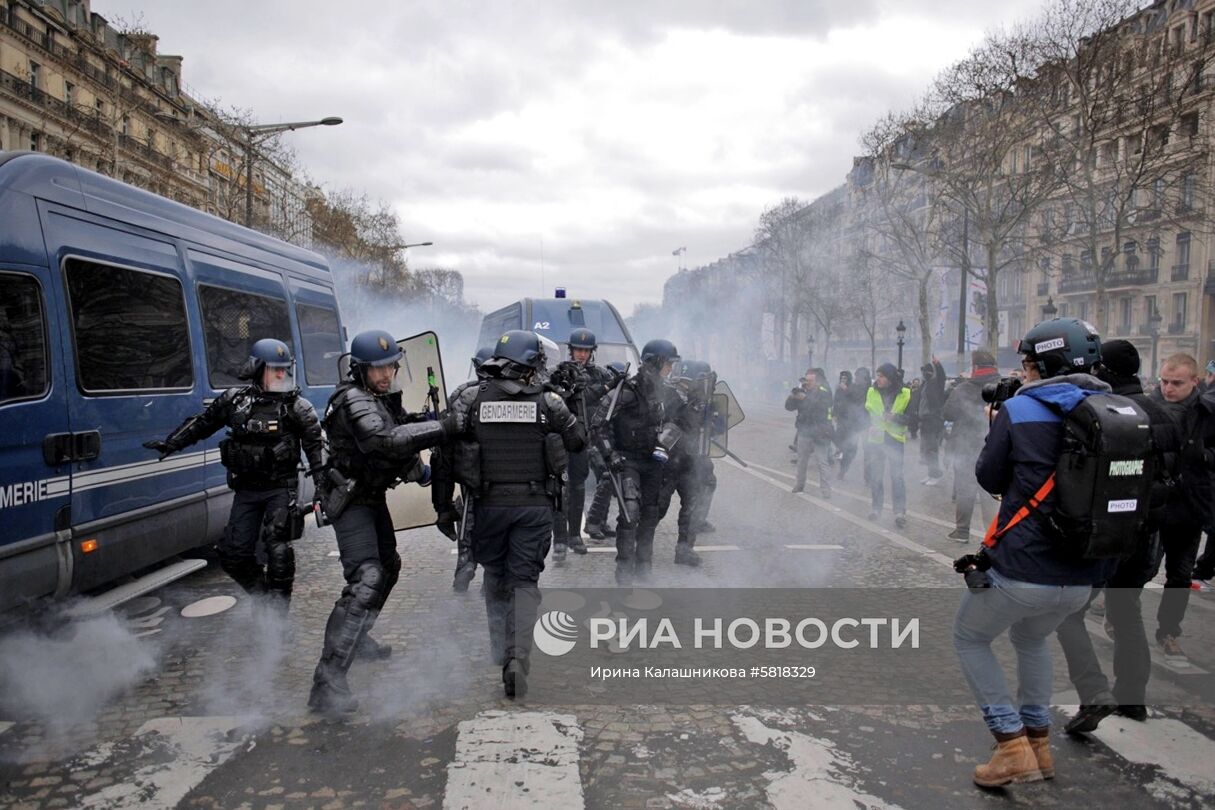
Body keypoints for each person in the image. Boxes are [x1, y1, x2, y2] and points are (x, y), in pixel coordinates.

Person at [952, 318, 1109, 787]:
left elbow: (990, 478)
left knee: (970, 638)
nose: (1023, 374)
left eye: (1027, 364)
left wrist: (995, 428)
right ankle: (1039, 746)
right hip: (1084, 574)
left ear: (1047, 364)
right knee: (1032, 639)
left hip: (1025, 568)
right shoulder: (1112, 407)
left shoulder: (1021, 411)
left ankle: (1010, 743)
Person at [308, 330, 458, 715]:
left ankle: (358, 635)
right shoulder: (351, 399)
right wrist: (445, 428)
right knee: (367, 577)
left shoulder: (376, 397)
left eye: (391, 365)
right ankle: (327, 682)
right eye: (378, 368)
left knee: (389, 566)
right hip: (350, 501)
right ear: (361, 369)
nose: (386, 373)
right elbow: (385, 440)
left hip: (370, 495)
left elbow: (400, 425)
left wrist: (429, 420)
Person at [443, 330, 585, 698]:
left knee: (495, 573)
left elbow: (445, 451)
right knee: (524, 583)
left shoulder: (470, 398)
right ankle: (516, 658)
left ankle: (497, 649)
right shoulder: (549, 402)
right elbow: (578, 442)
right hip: (534, 507)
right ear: (530, 365)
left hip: (488, 506)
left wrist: (442, 505)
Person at [144, 338, 323, 604]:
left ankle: (277, 617)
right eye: (275, 368)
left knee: (278, 550)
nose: (281, 374)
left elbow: (315, 448)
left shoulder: (297, 407)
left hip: (280, 489)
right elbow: (203, 423)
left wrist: (321, 487)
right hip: (247, 490)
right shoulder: (235, 401)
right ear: (257, 368)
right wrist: (173, 443)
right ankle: (264, 600)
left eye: (284, 369)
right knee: (233, 555)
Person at [1059, 340, 1174, 733]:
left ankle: (1093, 693)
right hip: (1145, 534)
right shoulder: (1162, 413)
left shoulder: (1100, 413)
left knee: (1069, 613)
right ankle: (1132, 699)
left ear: (1103, 371)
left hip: (1103, 535)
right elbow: (1171, 480)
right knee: (1127, 613)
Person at [592, 338, 681, 585]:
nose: (670, 369)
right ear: (655, 362)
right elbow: (599, 424)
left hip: (653, 460)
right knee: (630, 513)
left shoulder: (665, 392)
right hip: (627, 460)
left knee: (650, 514)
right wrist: (610, 454)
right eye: (668, 364)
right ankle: (623, 571)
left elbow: (678, 423)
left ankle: (644, 568)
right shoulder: (626, 390)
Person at [1146, 353, 1215, 660]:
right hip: (1154, 502)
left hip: (1189, 505)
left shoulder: (1208, 412)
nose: (1168, 388)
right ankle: (1119, 616)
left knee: (1180, 574)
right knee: (1144, 568)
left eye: (1176, 383)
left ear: (1194, 382)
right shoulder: (1148, 407)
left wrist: (1204, 457)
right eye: (1164, 381)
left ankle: (1169, 631)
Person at [546, 328, 616, 562]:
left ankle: (575, 535)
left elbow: (615, 398)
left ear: (592, 352)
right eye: (578, 349)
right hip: (559, 438)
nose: (582, 355)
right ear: (571, 350)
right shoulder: (557, 373)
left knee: (577, 488)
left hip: (584, 438)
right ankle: (560, 541)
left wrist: (620, 379)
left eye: (586, 351)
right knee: (559, 489)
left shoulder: (601, 375)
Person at [432, 346, 496, 592]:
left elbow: (446, 446)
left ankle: (466, 563)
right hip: (487, 472)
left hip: (472, 471)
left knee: (470, 515)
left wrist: (442, 503)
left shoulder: (463, 394)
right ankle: (485, 571)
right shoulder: (508, 393)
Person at [662, 360, 722, 566]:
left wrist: (713, 418)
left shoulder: (706, 402)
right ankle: (640, 550)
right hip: (670, 461)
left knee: (692, 505)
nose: (685, 387)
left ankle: (685, 549)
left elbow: (717, 427)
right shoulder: (671, 397)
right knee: (656, 507)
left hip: (693, 462)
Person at [941, 351, 1000, 542]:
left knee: (965, 489)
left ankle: (962, 531)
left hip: (966, 446)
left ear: (975, 367)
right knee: (990, 492)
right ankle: (992, 534)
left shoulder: (964, 389)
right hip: (994, 447)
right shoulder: (1003, 386)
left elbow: (948, 413)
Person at [864, 363, 912, 528]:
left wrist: (895, 417)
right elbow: (865, 412)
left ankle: (899, 511)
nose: (878, 379)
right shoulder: (871, 391)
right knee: (876, 475)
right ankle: (876, 508)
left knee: (896, 476)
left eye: (882, 376)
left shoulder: (905, 393)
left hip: (895, 439)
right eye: (877, 375)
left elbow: (912, 418)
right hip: (876, 439)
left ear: (890, 378)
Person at [785, 371, 833, 498]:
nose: (807, 383)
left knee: (822, 462)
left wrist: (805, 398)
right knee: (802, 460)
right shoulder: (802, 392)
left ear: (817, 382)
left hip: (820, 432)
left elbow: (821, 408)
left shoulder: (824, 393)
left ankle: (826, 490)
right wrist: (792, 396)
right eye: (806, 381)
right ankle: (799, 485)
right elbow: (788, 407)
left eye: (810, 381)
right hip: (804, 431)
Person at [917, 359, 947, 484]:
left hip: (933, 420)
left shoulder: (936, 383)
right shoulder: (925, 384)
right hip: (924, 420)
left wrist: (938, 365)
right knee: (925, 450)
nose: (925, 374)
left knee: (931, 449)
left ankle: (936, 475)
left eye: (927, 371)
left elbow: (942, 377)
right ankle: (931, 474)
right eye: (923, 372)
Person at [833, 370, 863, 480]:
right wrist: (834, 414)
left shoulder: (854, 388)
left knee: (852, 449)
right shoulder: (838, 389)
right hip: (842, 421)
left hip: (853, 423)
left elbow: (857, 400)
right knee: (842, 444)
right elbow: (835, 401)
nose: (843, 380)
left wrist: (846, 390)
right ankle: (842, 468)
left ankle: (844, 468)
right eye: (842, 378)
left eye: (845, 378)